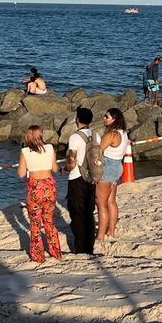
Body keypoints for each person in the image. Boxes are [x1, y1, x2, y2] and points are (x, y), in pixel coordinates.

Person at [17, 125, 61, 263]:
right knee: (49, 221)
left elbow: (21, 174)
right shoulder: (50, 148)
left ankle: (38, 256)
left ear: (28, 136)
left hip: (35, 187)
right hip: (49, 186)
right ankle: (56, 252)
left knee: (35, 223)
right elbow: (55, 168)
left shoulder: (25, 151)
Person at [63, 107, 97, 254]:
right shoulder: (96, 135)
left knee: (76, 212)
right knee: (89, 212)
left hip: (77, 177)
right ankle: (90, 246)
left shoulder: (74, 137)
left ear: (77, 120)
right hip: (91, 177)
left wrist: (64, 169)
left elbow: (72, 160)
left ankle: (81, 248)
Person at [95, 108, 128, 243]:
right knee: (111, 201)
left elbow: (98, 151)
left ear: (114, 119)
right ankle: (111, 231)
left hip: (108, 166)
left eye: (106, 117)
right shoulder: (123, 133)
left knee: (101, 203)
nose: (104, 119)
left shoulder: (111, 135)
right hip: (117, 166)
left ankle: (100, 235)